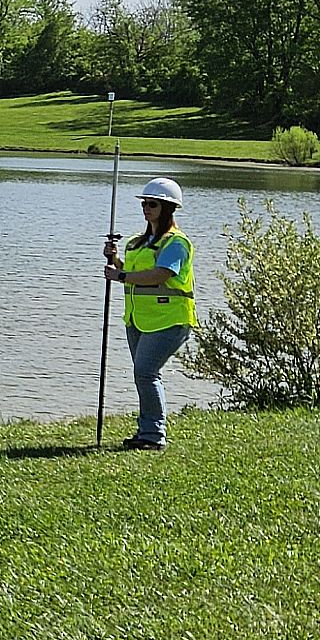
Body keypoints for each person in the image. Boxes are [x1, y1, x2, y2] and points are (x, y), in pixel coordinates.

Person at [103, 175, 196, 451]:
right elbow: (132, 270)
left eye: (152, 204)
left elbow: (160, 275)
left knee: (146, 372)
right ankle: (146, 431)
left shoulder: (176, 243)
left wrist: (119, 275)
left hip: (170, 320)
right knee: (143, 374)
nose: (146, 209)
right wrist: (115, 258)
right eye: (144, 203)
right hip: (138, 319)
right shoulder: (137, 242)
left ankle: (154, 435)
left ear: (167, 209)